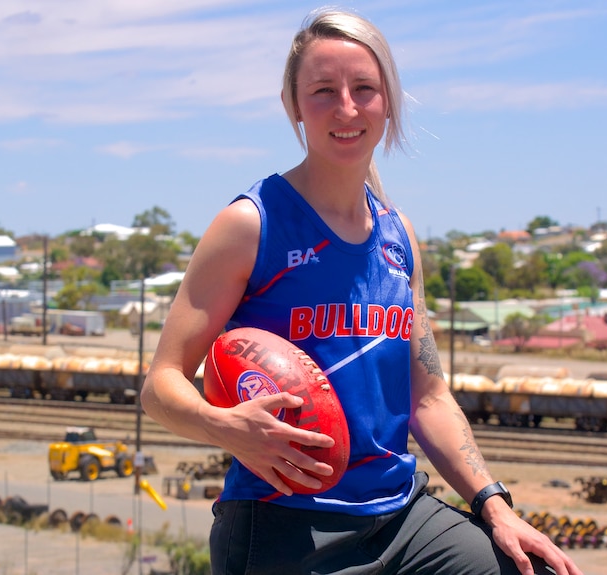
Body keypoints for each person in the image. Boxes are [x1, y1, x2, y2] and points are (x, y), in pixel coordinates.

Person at [141, 8, 583, 575]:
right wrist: (227, 427)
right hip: (288, 524)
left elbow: (428, 398)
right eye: (324, 90)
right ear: (293, 105)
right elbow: (161, 384)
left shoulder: (399, 237)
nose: (346, 108)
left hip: (402, 518)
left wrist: (494, 504)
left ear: (388, 101)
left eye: (364, 89)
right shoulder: (253, 224)